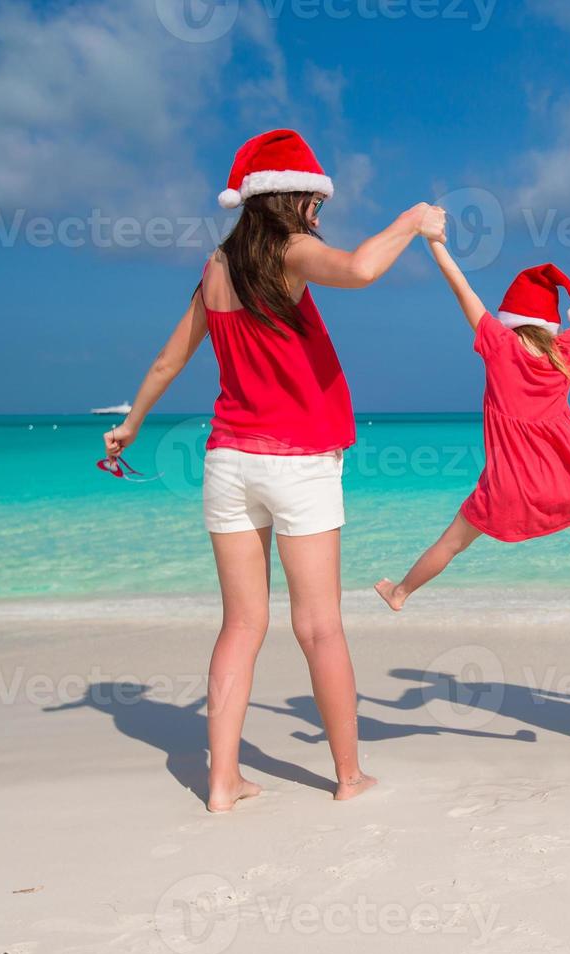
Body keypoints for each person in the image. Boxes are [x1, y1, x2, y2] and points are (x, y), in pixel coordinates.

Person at [103, 129, 446, 808]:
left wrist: (131, 425)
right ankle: (348, 777)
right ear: (291, 198)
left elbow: (169, 362)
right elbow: (359, 270)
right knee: (319, 626)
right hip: (297, 461)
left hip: (228, 461)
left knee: (240, 625)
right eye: (314, 199)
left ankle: (222, 781)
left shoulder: (216, 268)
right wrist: (410, 220)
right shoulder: (291, 252)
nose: (318, 212)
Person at [374, 243, 570, 611]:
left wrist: (434, 242)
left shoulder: (498, 345)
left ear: (509, 316)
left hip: (505, 489)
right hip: (561, 486)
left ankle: (399, 593)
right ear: (552, 319)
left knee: (451, 543)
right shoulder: (567, 350)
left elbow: (460, 286)